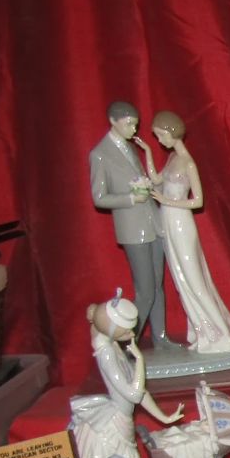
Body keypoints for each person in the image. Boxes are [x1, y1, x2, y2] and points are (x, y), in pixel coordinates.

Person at [43, 291, 184, 458]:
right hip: (109, 432)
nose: (132, 333)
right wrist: (140, 360)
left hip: (120, 422)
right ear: (110, 329)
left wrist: (165, 417)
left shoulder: (112, 345)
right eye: (127, 330)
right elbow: (134, 392)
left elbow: (140, 393)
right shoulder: (106, 353)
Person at [140, 110, 230, 354]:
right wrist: (147, 152)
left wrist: (167, 201)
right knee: (182, 280)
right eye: (157, 136)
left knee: (195, 279)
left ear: (172, 132)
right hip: (168, 222)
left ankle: (222, 335)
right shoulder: (171, 159)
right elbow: (156, 179)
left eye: (161, 135)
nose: (160, 140)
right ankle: (203, 331)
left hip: (181, 223)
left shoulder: (188, 163)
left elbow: (197, 201)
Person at [89, 100, 171, 345]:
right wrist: (131, 198)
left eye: (135, 124)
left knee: (157, 287)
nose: (133, 129)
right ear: (113, 121)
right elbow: (99, 198)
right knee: (145, 291)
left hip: (153, 223)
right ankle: (126, 341)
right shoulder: (100, 154)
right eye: (128, 124)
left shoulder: (130, 147)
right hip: (133, 229)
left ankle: (161, 338)